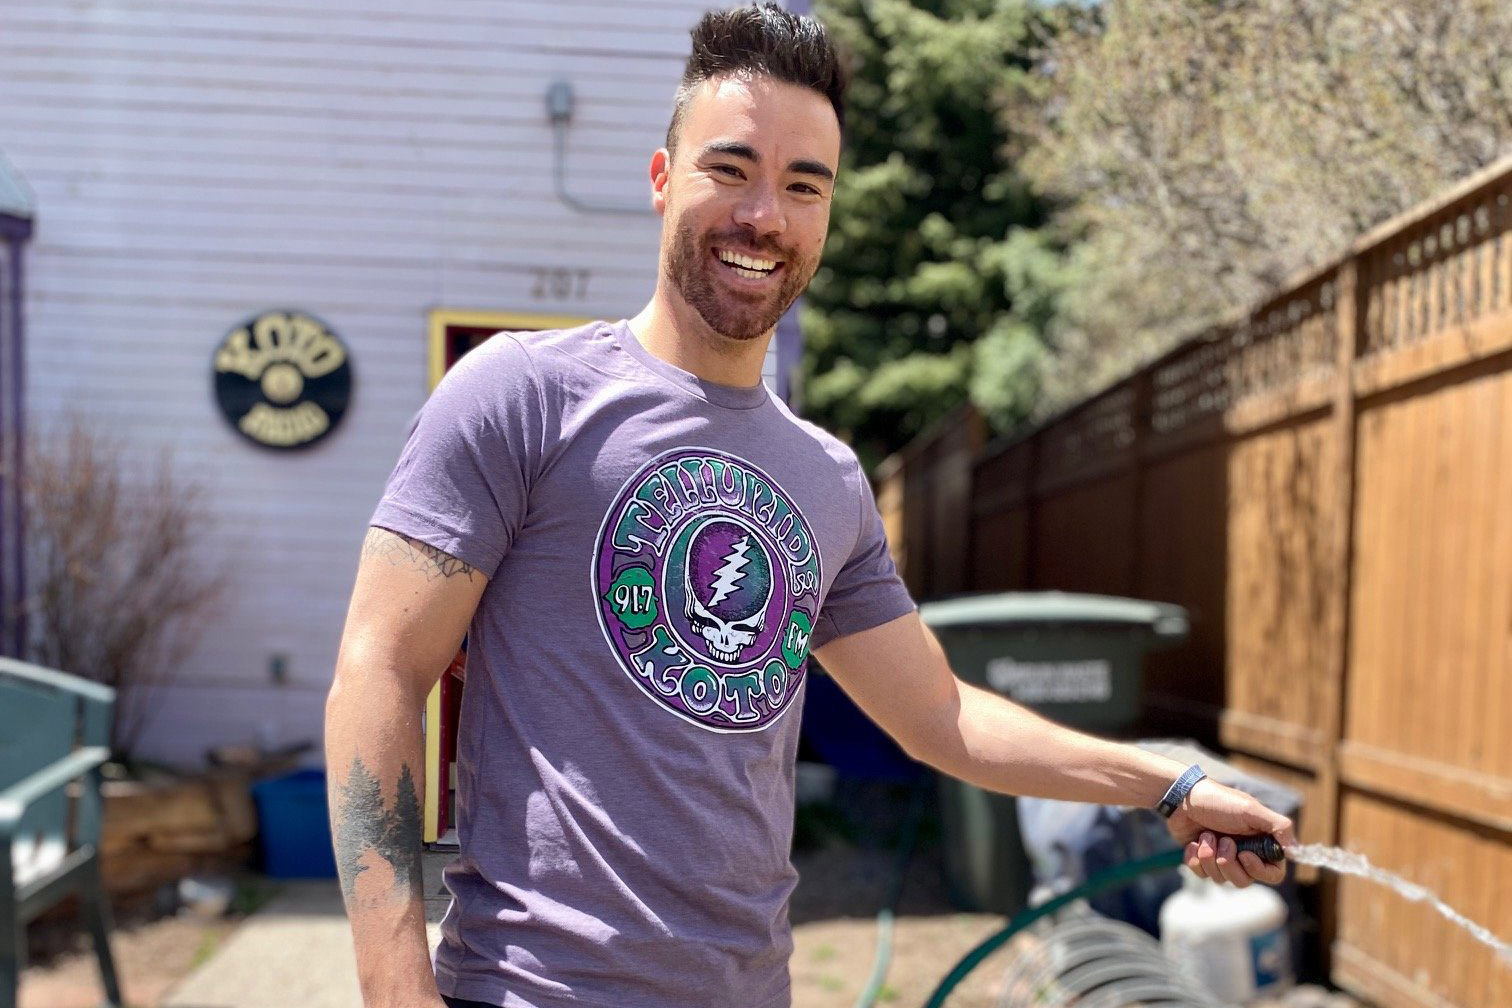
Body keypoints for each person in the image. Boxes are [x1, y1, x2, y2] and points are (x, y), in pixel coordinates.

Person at [324, 5, 1296, 1007]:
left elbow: (943, 715)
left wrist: (1166, 788)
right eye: (730, 170)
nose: (765, 217)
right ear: (662, 181)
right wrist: (395, 992)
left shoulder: (827, 478)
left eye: (803, 186)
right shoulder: (523, 395)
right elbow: (380, 669)